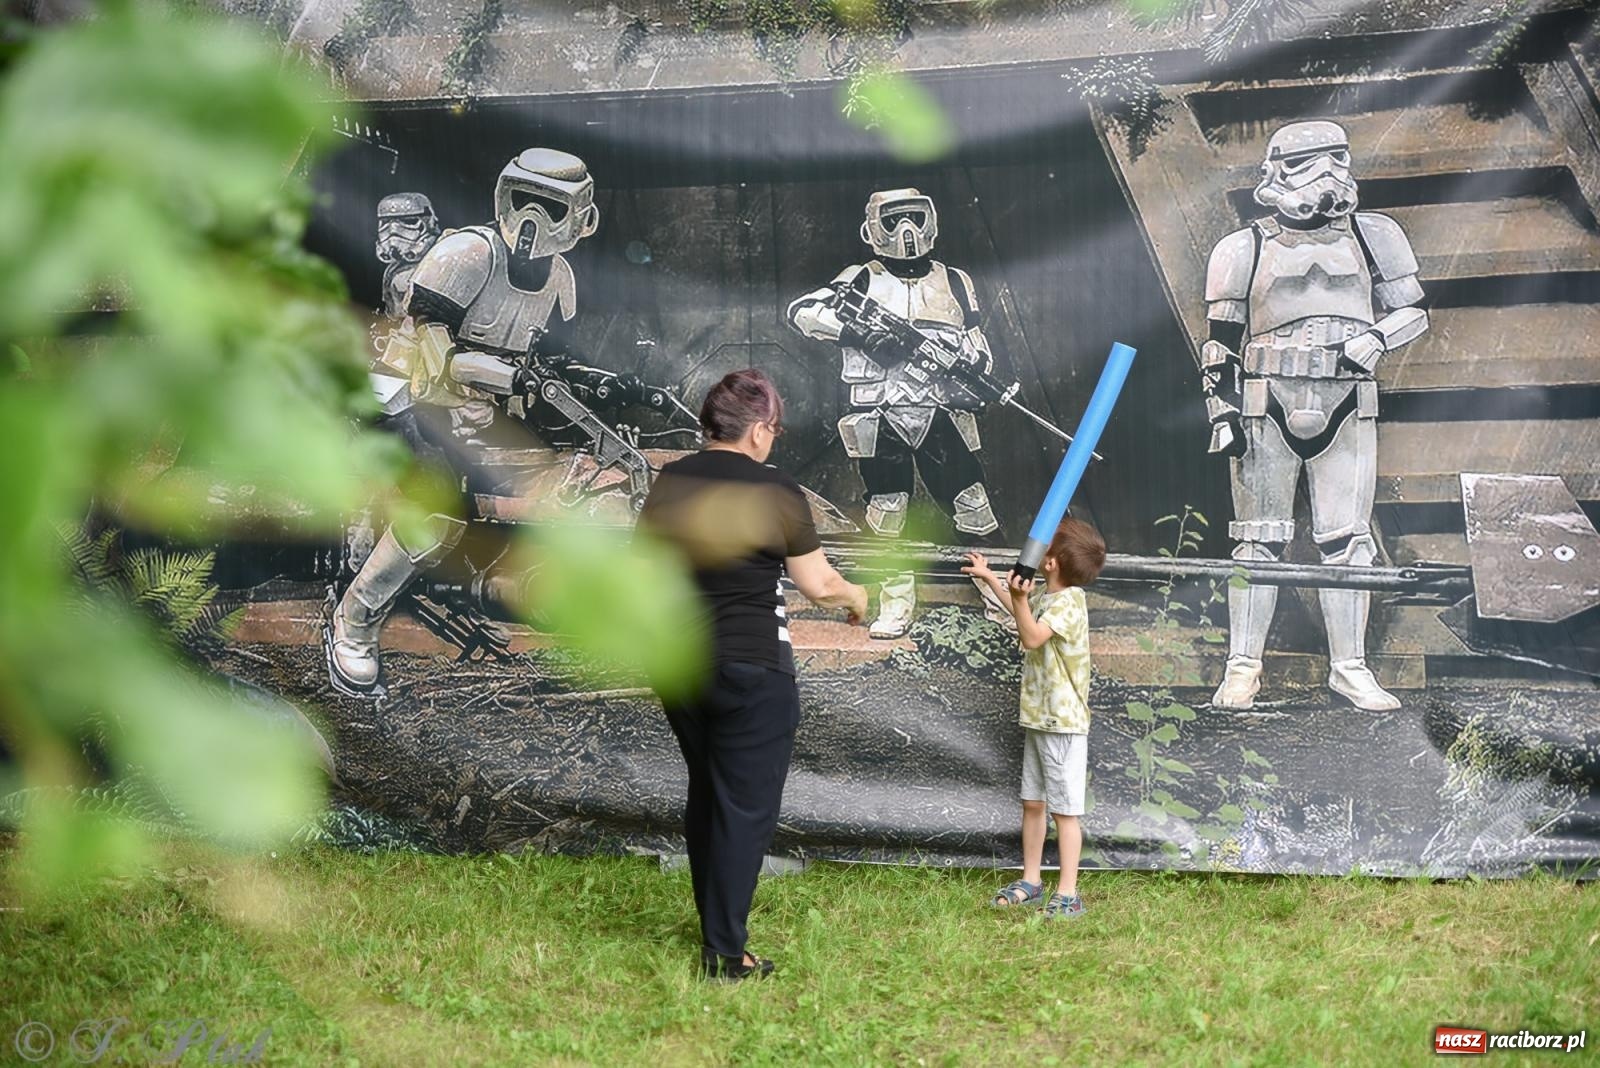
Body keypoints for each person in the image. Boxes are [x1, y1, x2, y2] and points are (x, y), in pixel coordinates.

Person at [637, 368, 870, 981]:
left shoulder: (672, 479)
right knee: (745, 807)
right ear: (761, 429)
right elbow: (818, 585)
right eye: (776, 428)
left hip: (679, 663)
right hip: (751, 666)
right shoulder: (774, 488)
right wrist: (860, 597)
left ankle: (718, 934)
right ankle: (725, 955)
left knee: (709, 792)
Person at [962, 516, 1106, 920]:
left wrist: (1021, 599)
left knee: (1065, 813)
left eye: (1046, 547)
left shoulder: (1070, 602)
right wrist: (991, 578)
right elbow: (1021, 613)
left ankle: (1068, 891)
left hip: (1063, 726)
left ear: (1052, 563)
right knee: (1033, 804)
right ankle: (1032, 880)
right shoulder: (1047, 596)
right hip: (1040, 720)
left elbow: (1031, 636)